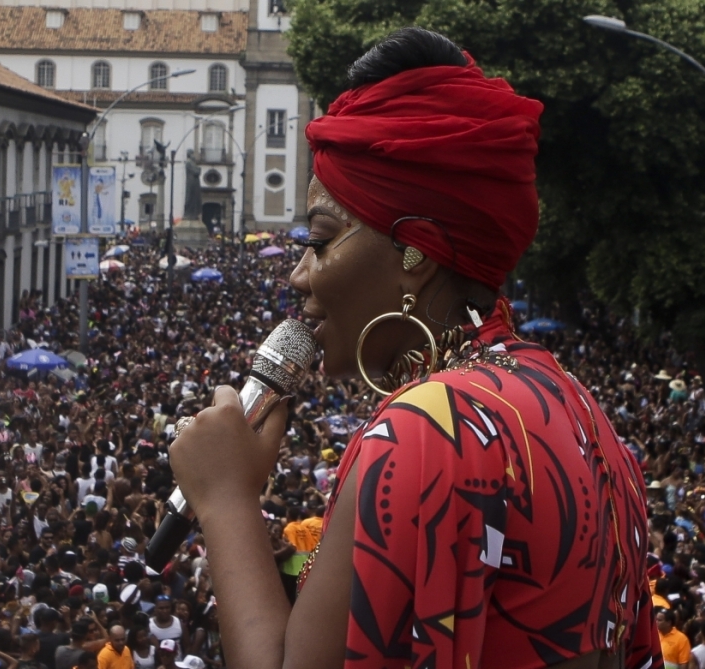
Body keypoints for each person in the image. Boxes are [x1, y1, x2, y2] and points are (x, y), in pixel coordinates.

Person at [167, 27, 659, 669]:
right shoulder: (570, 400)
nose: (299, 276)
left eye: (319, 240)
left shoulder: (425, 429)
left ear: (416, 253)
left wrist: (227, 499)